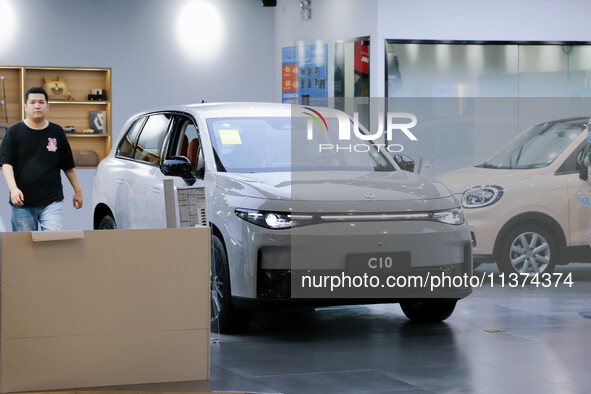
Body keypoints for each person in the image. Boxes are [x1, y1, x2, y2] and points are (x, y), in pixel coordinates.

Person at [0, 87, 82, 231]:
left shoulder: (57, 132)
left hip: (52, 202)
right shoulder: (13, 132)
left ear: (47, 106)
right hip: (22, 203)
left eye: (41, 102)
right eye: (32, 102)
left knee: (51, 245)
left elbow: (68, 167)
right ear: (26, 106)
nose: (37, 106)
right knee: (24, 249)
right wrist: (13, 189)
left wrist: (78, 191)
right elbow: (6, 164)